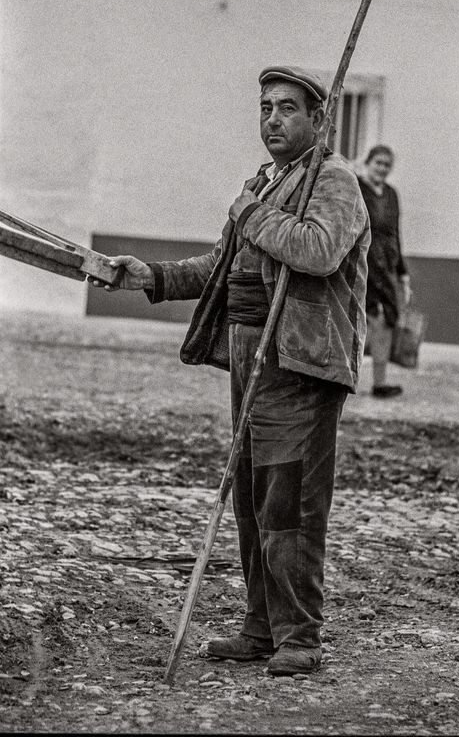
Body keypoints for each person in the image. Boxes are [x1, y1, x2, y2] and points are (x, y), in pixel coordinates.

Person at [89, 65, 370, 676]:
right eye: (266, 107)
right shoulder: (268, 185)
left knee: (289, 503)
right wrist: (154, 277)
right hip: (250, 359)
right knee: (250, 497)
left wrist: (249, 211)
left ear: (319, 120)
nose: (273, 119)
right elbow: (223, 265)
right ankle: (262, 628)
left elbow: (316, 252)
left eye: (288, 108)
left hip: (301, 362)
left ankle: (301, 637)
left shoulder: (336, 181)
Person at [357, 145, 411, 398]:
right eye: (378, 163)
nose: (382, 169)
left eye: (387, 165)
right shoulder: (356, 188)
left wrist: (402, 273)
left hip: (386, 265)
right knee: (355, 320)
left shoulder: (391, 194)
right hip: (361, 264)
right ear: (368, 163)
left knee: (386, 321)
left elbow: (395, 234)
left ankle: (380, 383)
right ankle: (340, 380)